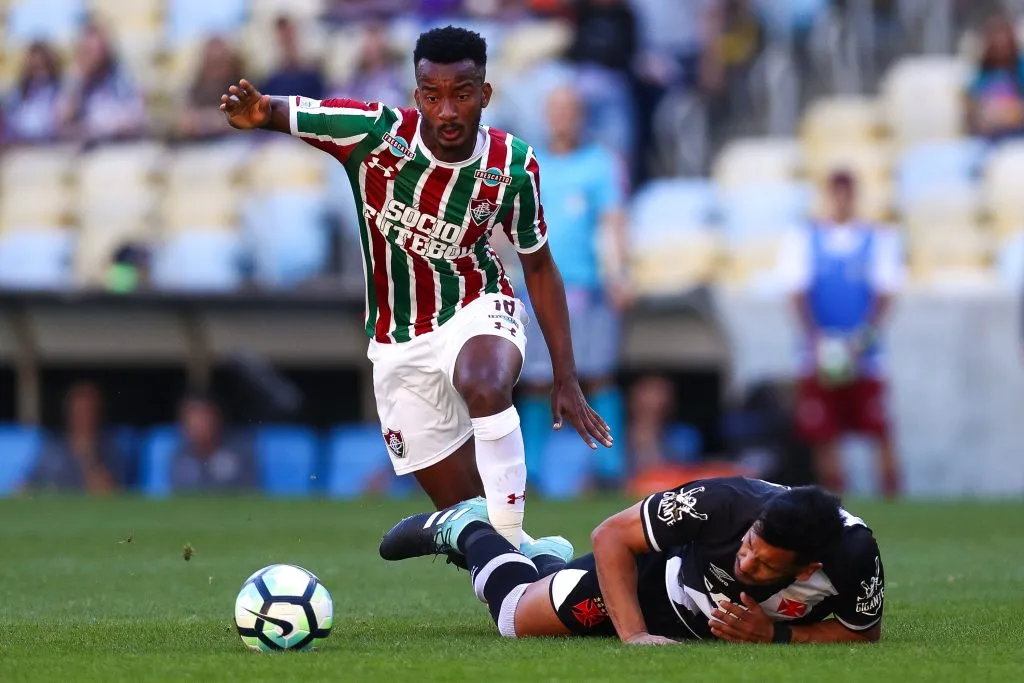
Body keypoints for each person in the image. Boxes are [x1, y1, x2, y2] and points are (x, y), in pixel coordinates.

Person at [218, 26, 611, 554]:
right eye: (433, 95)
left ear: (485, 95)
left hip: (478, 304)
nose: (447, 110)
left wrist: (566, 373)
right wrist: (256, 114)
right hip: (398, 343)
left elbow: (538, 266)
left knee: (485, 382)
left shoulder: (512, 165)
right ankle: (520, 562)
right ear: (416, 94)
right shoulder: (374, 136)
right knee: (472, 526)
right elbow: (281, 111)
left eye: (462, 93)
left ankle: (516, 542)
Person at [380, 476, 885, 645]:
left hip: (693, 619)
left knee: (545, 589)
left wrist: (776, 635)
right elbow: (611, 537)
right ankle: (470, 527)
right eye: (748, 544)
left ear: (805, 570)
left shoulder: (854, 555)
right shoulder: (721, 503)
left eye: (763, 563)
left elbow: (863, 633)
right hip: (653, 582)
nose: (745, 561)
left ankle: (545, 561)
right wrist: (636, 636)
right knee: (514, 617)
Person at [518, 85, 630, 489]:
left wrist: (620, 274)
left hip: (586, 286)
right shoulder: (529, 161)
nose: (563, 118)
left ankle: (608, 468)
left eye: (570, 110)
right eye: (556, 110)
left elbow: (612, 220)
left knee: (596, 375)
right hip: (533, 286)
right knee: (534, 380)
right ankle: (529, 471)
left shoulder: (600, 164)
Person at [776, 170, 903, 497]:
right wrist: (816, 338)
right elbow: (797, 292)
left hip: (864, 354)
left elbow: (885, 294)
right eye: (836, 192)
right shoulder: (805, 238)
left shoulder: (878, 238)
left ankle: (892, 495)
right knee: (825, 432)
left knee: (878, 429)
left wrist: (864, 337)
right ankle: (835, 499)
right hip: (820, 352)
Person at [25, 380, 127, 494]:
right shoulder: (53, 445)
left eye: (87, 411)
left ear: (97, 412)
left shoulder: (110, 448)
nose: (81, 417)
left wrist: (87, 458)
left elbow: (108, 492)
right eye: (77, 410)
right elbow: (27, 485)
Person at [57, 21, 147, 143]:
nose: (89, 56)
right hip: (84, 149)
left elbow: (136, 119)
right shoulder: (75, 80)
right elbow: (62, 122)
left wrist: (98, 128)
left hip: (118, 148)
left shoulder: (123, 79)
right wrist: (76, 83)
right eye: (85, 50)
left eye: (93, 50)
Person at [170, 391, 258, 493]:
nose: (198, 425)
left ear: (217, 418)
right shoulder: (180, 456)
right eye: (193, 419)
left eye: (204, 418)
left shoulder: (239, 452)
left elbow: (250, 494)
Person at [175, 37, 245, 141]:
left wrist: (202, 120)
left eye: (220, 62)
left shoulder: (240, 87)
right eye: (211, 62)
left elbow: (245, 120)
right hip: (199, 147)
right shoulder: (196, 88)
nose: (215, 69)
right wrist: (217, 120)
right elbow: (184, 123)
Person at [967, 14, 1024, 141]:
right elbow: (971, 107)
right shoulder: (981, 73)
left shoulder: (1020, 69)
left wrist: (1008, 114)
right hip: (988, 139)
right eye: (995, 40)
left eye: (1003, 40)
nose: (1000, 45)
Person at [2, 41, 63, 145]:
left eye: (42, 66)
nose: (39, 72)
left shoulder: (57, 90)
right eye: (34, 67)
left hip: (48, 145)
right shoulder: (19, 92)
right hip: (20, 145)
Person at [262, 16, 325, 101]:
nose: (285, 38)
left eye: (288, 33)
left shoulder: (310, 75)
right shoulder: (271, 79)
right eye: (282, 34)